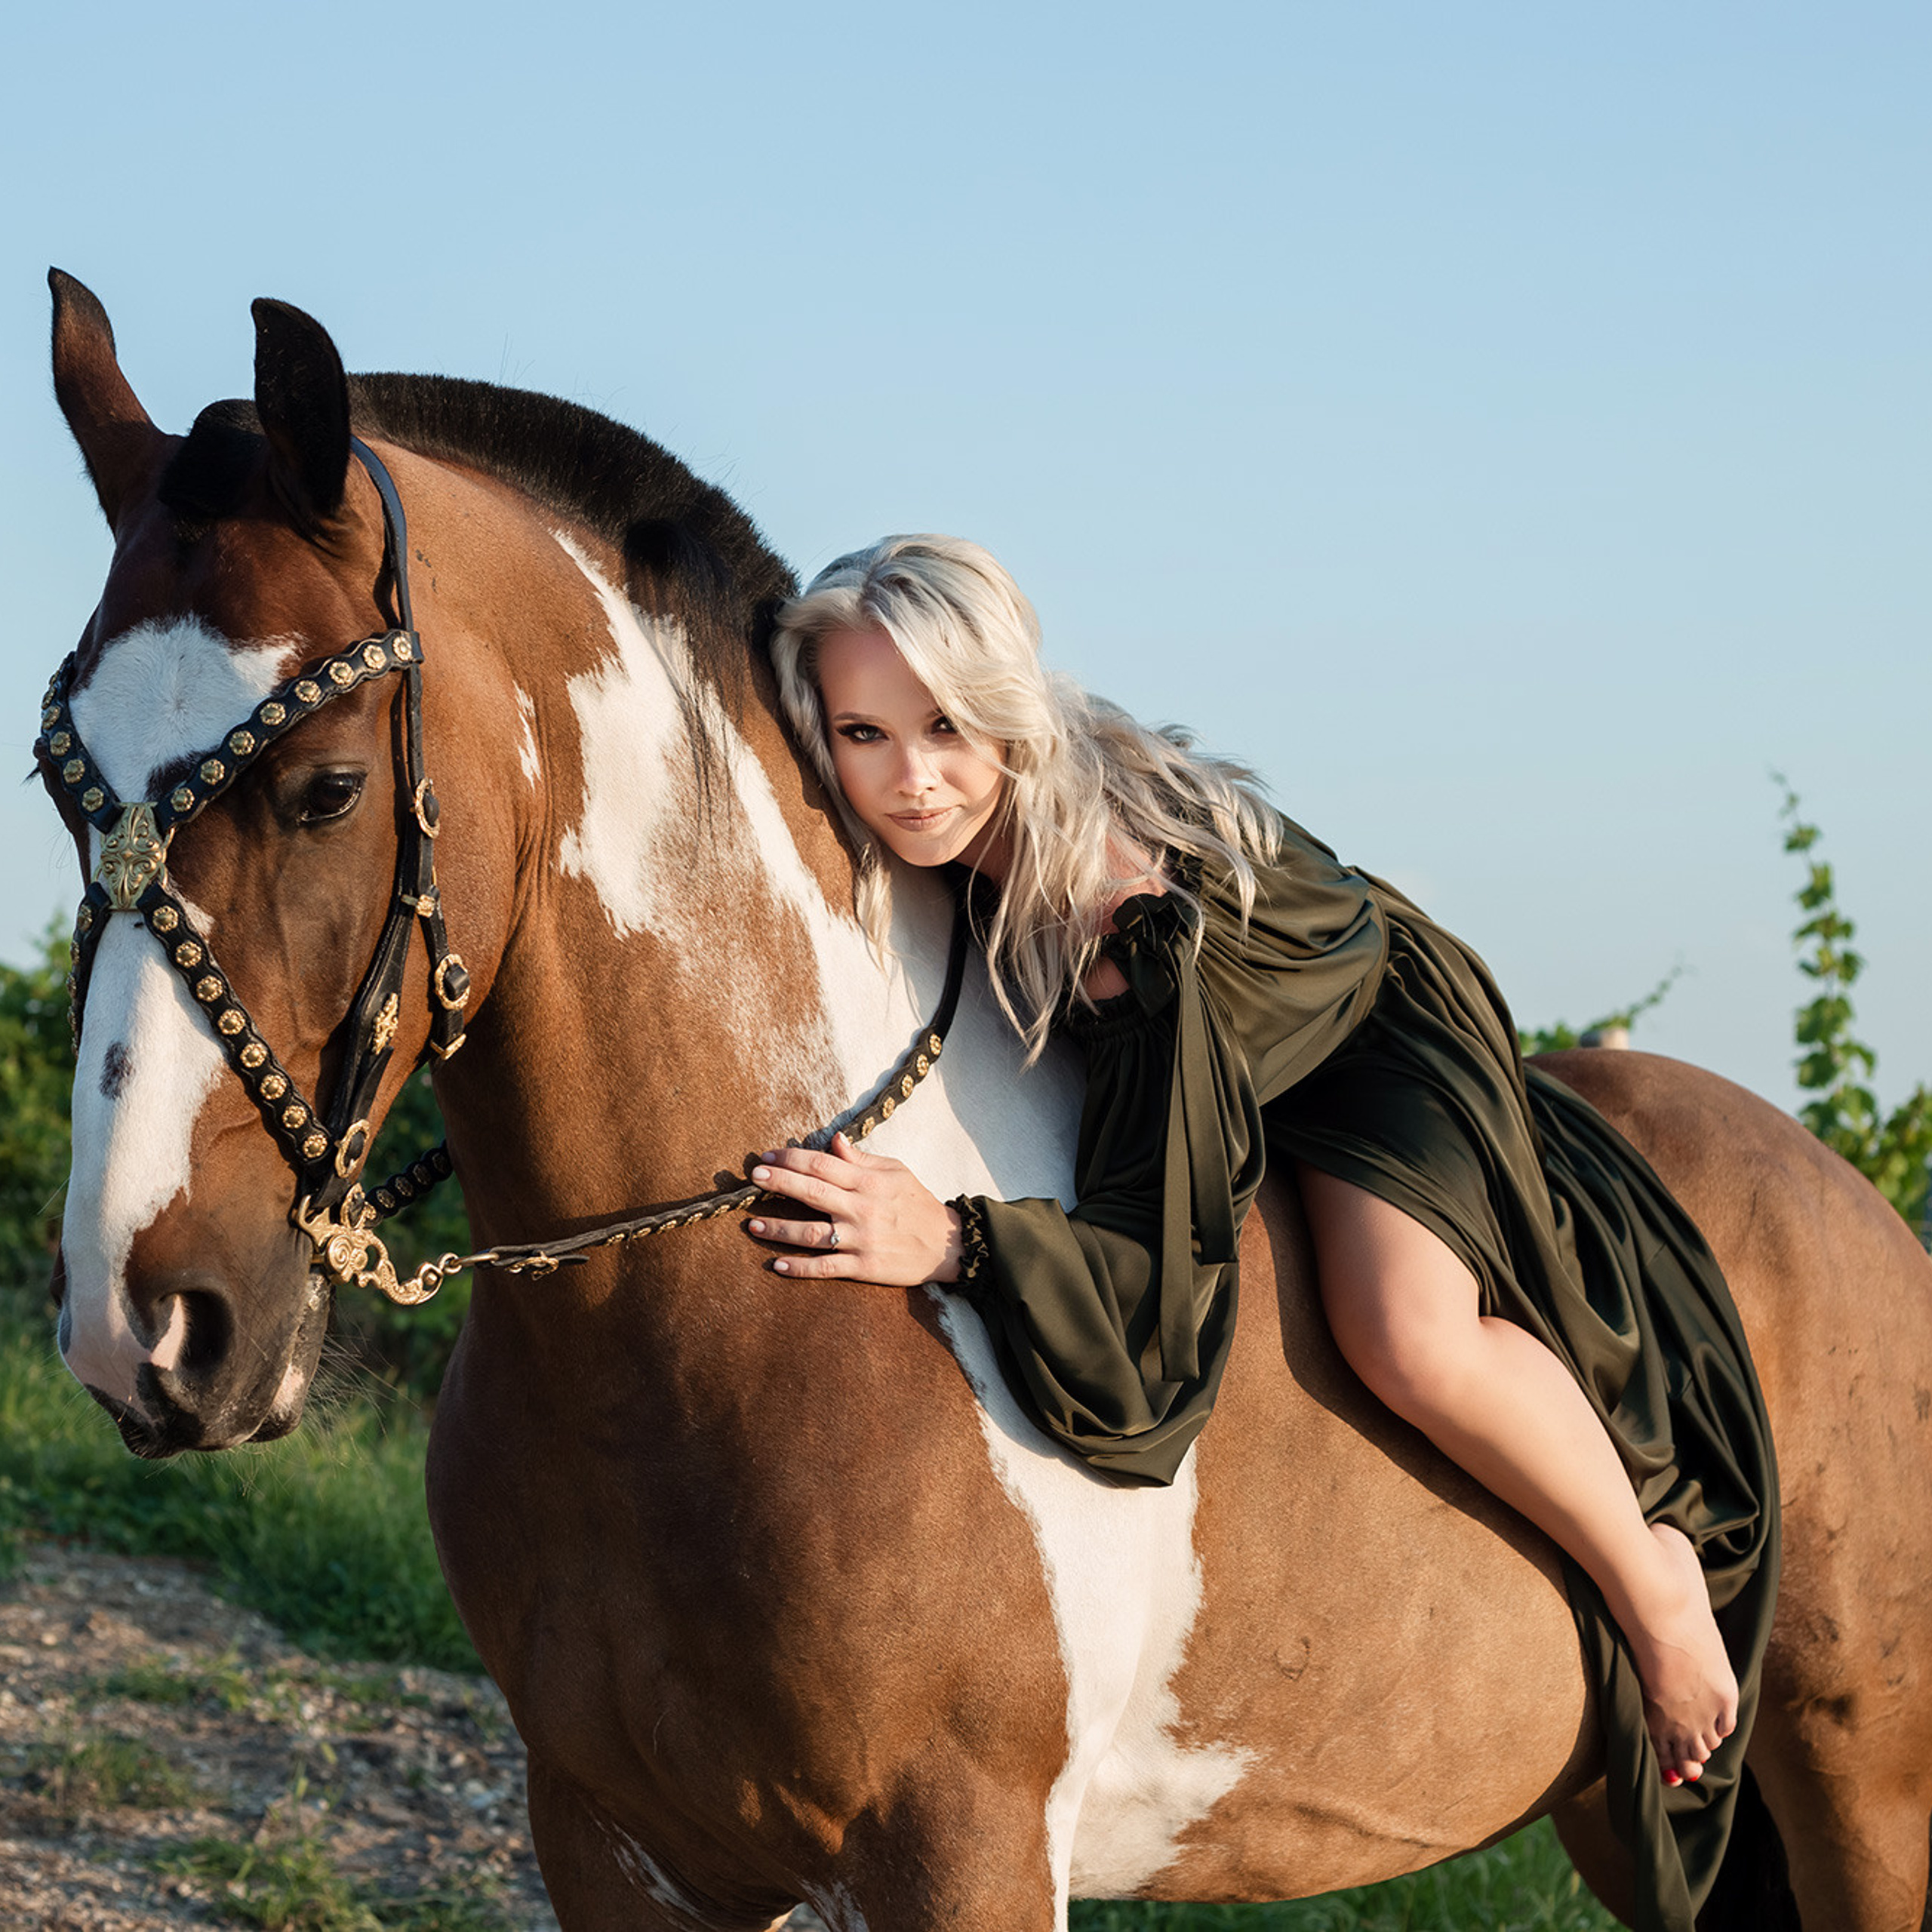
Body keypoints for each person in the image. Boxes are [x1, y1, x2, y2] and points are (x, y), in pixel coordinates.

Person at [746, 536, 1775, 1923]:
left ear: (1010, 709)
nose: (911, 776)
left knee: (1405, 1331)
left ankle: (1651, 1587)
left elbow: (1153, 1316)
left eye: (949, 726)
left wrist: (953, 1240)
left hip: (1356, 1046)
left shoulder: (1117, 921)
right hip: (1200, 1041)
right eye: (864, 733)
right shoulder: (948, 828)